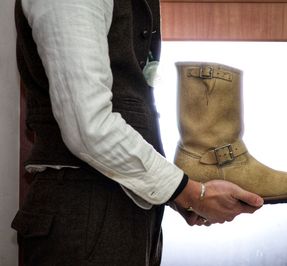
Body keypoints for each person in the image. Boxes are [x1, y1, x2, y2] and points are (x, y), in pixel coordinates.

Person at [11, 0, 264, 265]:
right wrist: (188, 192)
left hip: (124, 208)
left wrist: (175, 193)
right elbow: (88, 126)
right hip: (84, 212)